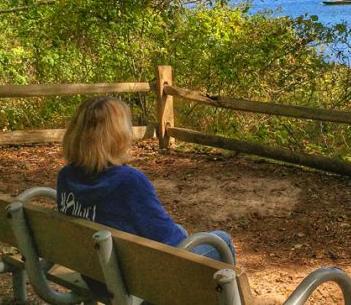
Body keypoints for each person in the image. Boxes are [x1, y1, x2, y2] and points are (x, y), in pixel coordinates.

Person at [56, 97, 235, 296]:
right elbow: (171, 241)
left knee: (180, 229)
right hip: (135, 286)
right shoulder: (129, 182)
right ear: (117, 135)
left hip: (96, 277)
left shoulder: (66, 176)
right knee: (220, 240)